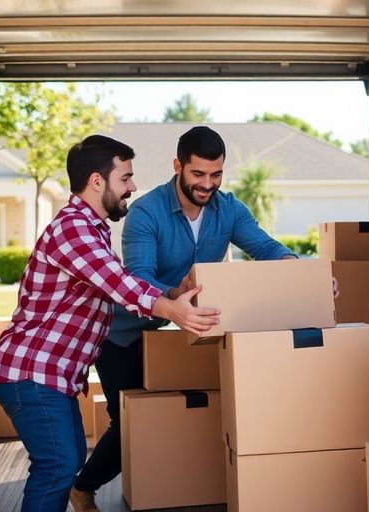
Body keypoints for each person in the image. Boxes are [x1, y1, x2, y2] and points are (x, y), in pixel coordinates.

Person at [0, 134, 220, 512]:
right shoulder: (73, 230)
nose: (133, 186)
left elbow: (116, 280)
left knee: (68, 461)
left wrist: (173, 297)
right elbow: (118, 283)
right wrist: (173, 310)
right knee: (58, 466)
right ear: (97, 181)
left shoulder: (90, 229)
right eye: (125, 178)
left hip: (49, 376)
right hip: (31, 373)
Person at [70, 126, 299, 511]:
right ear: (178, 166)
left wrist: (297, 270)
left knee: (189, 410)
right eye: (198, 174)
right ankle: (82, 487)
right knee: (128, 422)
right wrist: (177, 293)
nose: (207, 184)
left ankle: (172, 487)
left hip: (179, 332)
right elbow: (139, 277)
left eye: (216, 174)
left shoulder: (229, 209)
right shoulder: (146, 211)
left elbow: (265, 247)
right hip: (124, 334)